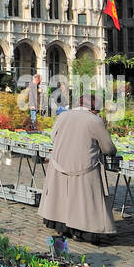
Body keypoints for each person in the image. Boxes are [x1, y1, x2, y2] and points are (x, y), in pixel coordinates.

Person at [39, 93, 116, 245]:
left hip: (60, 164)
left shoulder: (63, 116)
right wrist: (113, 151)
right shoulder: (94, 121)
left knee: (62, 199)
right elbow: (107, 147)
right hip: (83, 167)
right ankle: (81, 231)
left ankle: (61, 226)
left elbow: (53, 137)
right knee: (82, 202)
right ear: (93, 108)